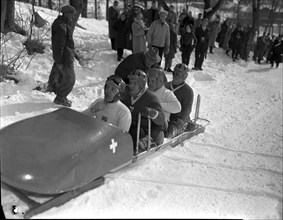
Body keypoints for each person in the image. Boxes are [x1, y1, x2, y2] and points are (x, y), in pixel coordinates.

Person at [122, 70, 165, 153]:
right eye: (130, 82)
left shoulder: (151, 98)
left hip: (143, 129)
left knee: (133, 134)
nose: (131, 85)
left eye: (135, 83)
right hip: (128, 124)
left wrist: (152, 113)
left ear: (141, 85)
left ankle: (152, 139)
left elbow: (161, 119)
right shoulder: (126, 94)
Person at [46, 5, 77, 107]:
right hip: (65, 58)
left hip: (66, 56)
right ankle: (60, 98)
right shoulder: (61, 25)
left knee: (59, 75)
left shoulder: (63, 23)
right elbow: (58, 45)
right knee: (70, 79)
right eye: (72, 14)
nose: (73, 16)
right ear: (67, 14)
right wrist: (59, 61)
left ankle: (53, 88)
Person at [164, 63, 194, 138]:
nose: (176, 76)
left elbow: (187, 109)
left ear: (185, 76)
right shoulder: (166, 86)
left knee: (168, 133)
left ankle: (175, 131)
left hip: (177, 118)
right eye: (175, 73)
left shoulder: (188, 91)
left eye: (179, 74)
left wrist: (182, 122)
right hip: (165, 114)